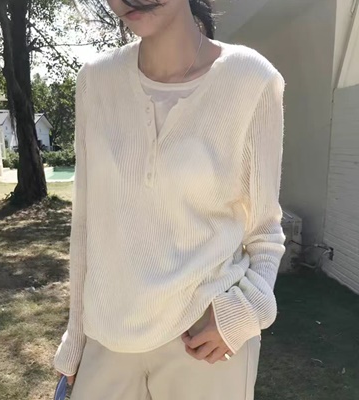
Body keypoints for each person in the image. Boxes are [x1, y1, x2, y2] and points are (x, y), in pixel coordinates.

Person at [53, 0, 287, 399]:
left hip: (204, 341)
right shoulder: (96, 80)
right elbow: (87, 226)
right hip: (106, 340)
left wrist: (245, 311)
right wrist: (75, 339)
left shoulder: (251, 80)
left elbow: (264, 229)